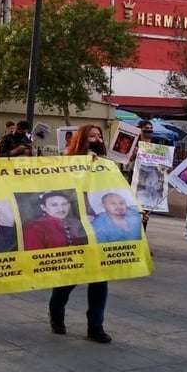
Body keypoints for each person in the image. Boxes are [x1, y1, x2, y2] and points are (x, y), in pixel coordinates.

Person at [48, 124, 111, 343]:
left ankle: (96, 326)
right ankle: (56, 314)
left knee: (100, 277)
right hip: (74, 222)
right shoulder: (67, 158)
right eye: (92, 135)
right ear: (82, 138)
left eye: (99, 136)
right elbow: (60, 187)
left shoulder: (105, 163)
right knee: (70, 275)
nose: (96, 139)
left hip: (98, 224)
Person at [23, 191, 88, 251]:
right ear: (43, 207)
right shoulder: (34, 228)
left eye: (64, 204)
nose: (61, 209)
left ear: (69, 205)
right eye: (54, 205)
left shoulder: (75, 223)